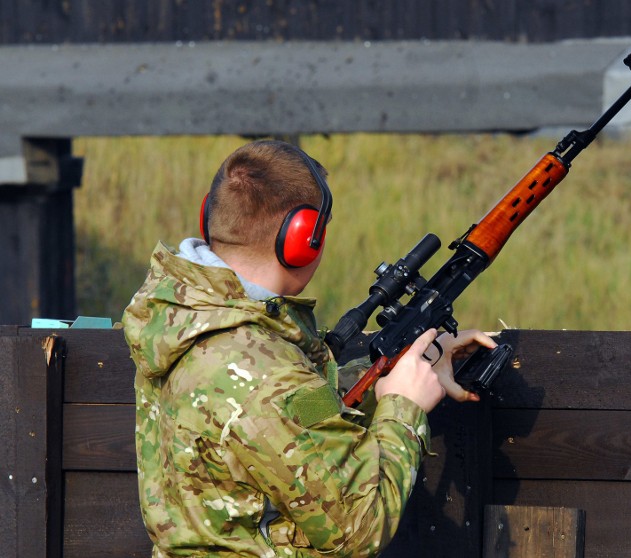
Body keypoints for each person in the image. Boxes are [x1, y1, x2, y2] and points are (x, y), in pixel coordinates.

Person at [122, 139, 496, 557]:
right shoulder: (265, 371)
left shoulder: (190, 316)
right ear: (302, 239)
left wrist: (388, 373)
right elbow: (360, 528)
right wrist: (404, 407)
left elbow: (278, 418)